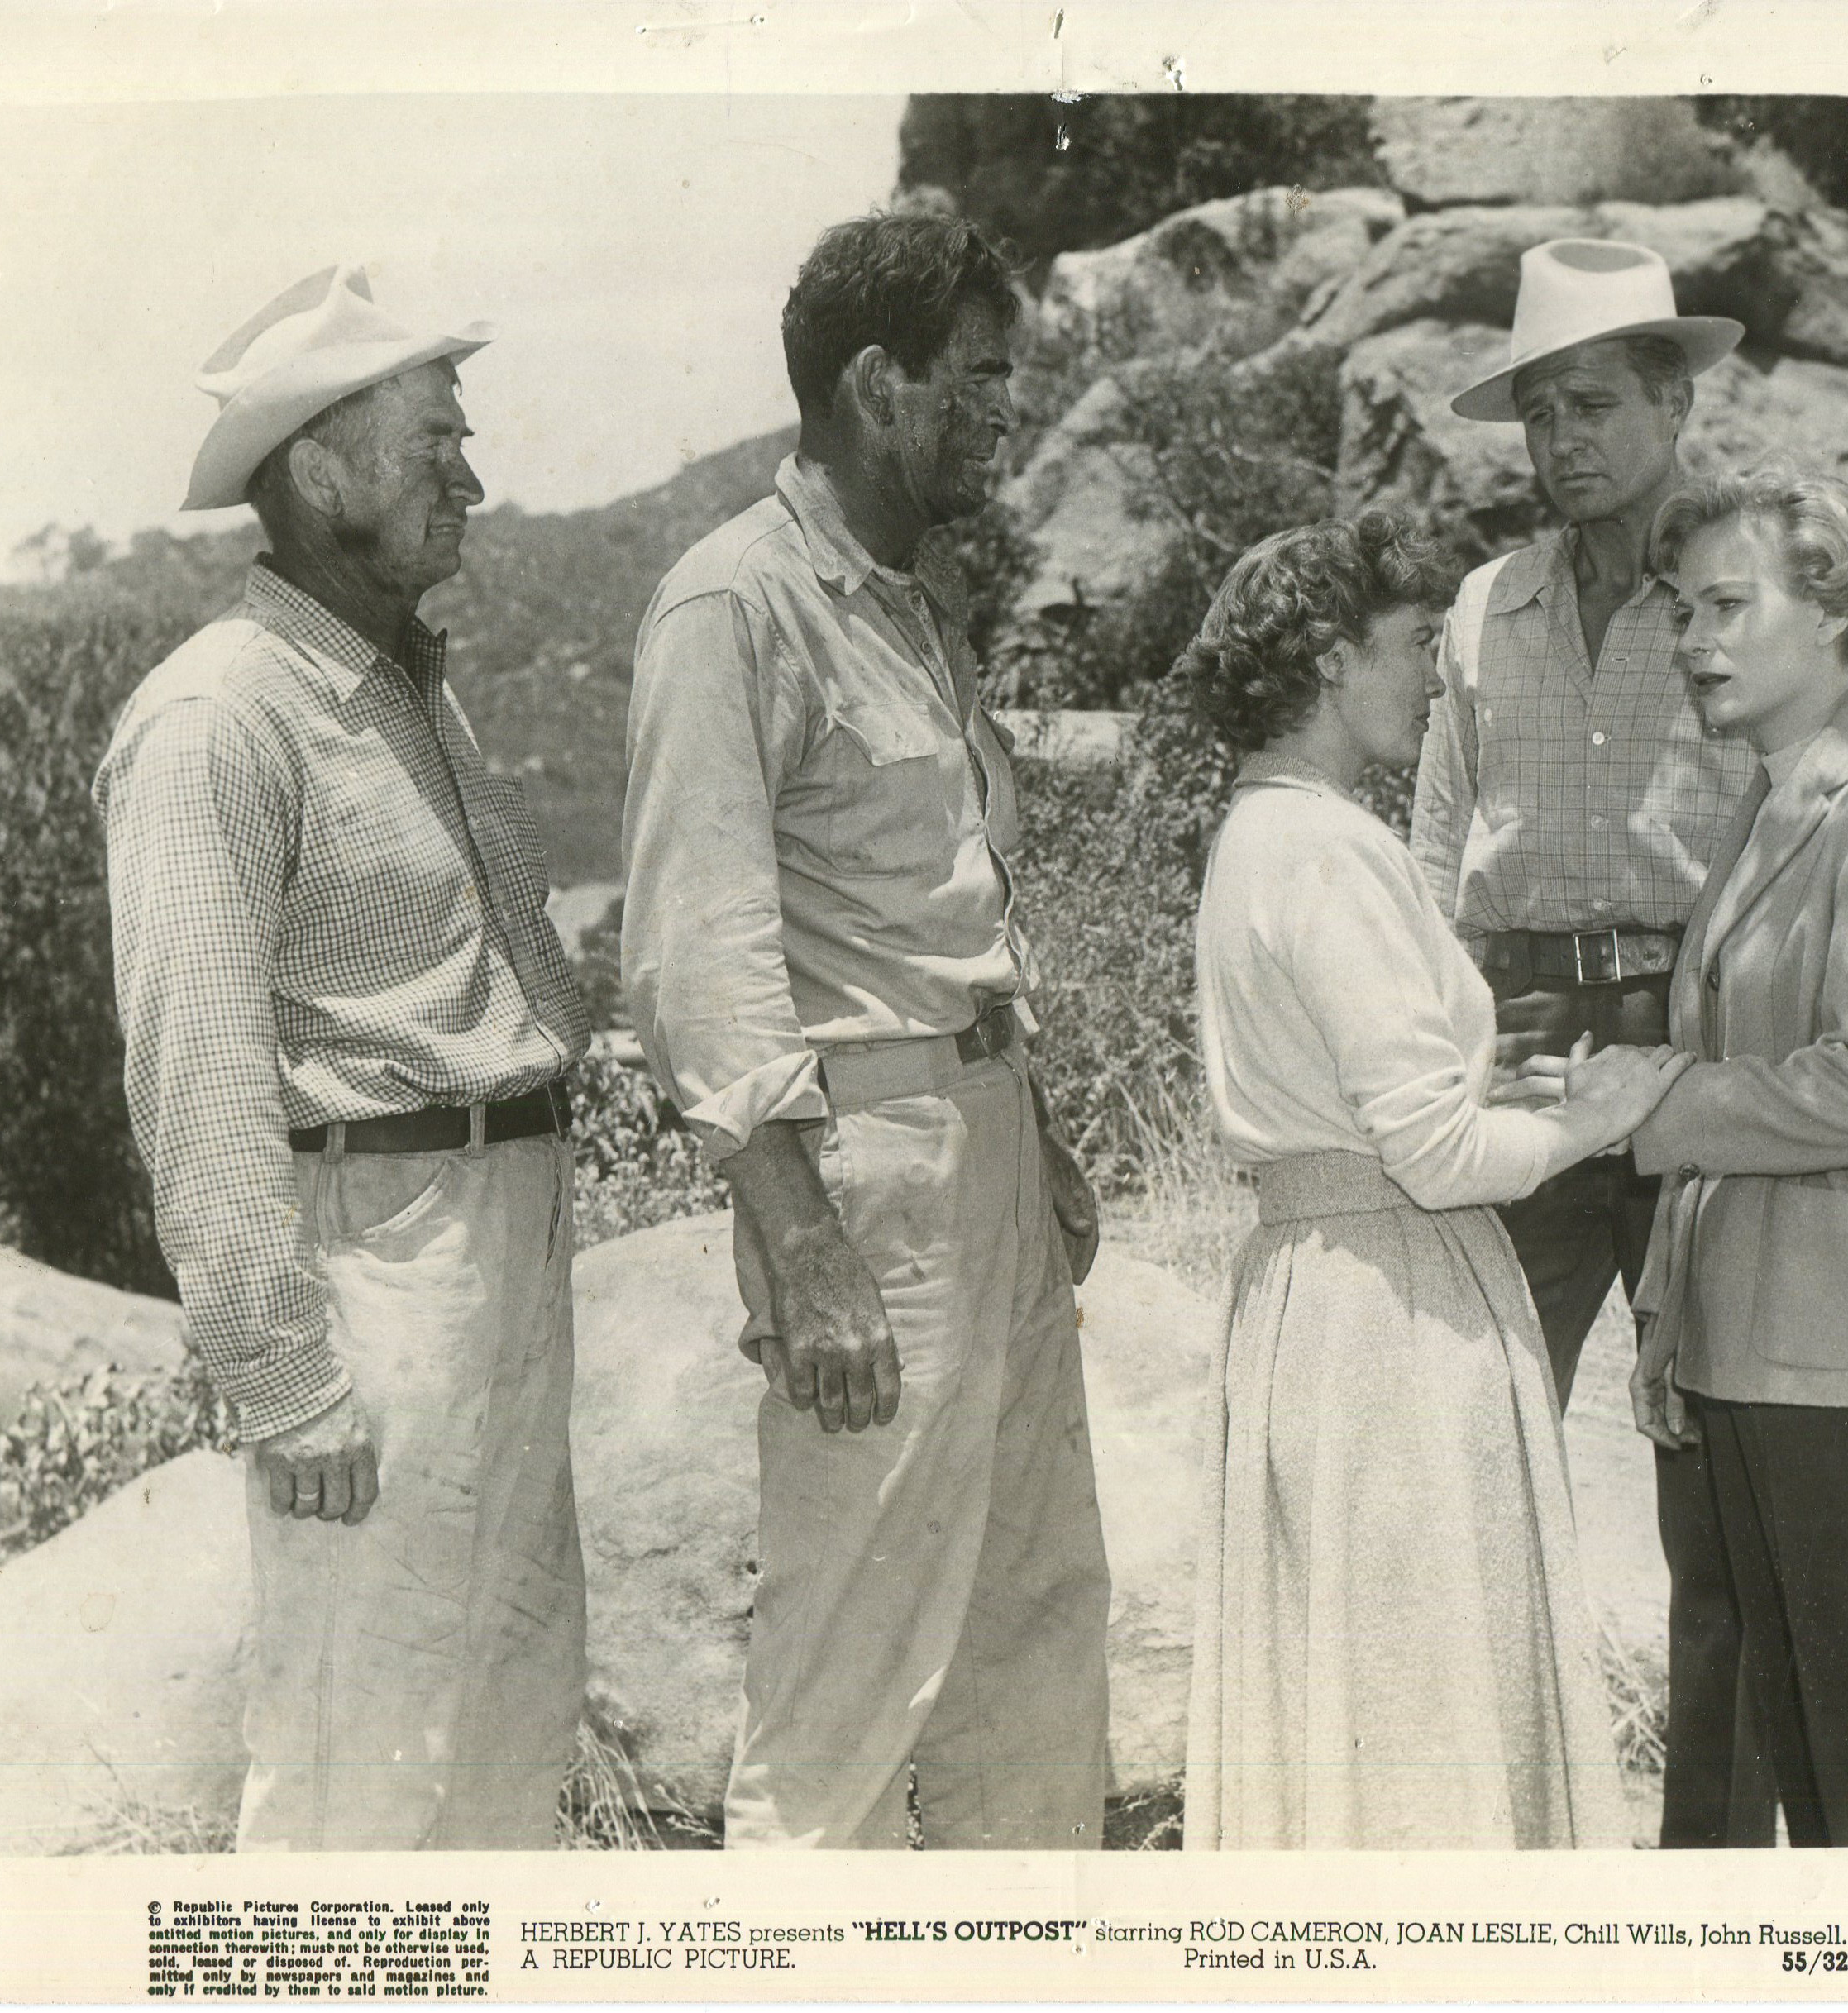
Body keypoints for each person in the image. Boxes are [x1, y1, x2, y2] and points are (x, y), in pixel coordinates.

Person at [620, 212, 1111, 1850]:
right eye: (977, 381)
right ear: (875, 384)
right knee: (840, 1707)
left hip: (985, 1168)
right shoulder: (733, 611)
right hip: (872, 1196)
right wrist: (804, 1247)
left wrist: (1030, 1136)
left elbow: (941, 909)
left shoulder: (905, 607)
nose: (1001, 415)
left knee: (1029, 1656)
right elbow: (696, 961)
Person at [93, 265, 591, 1850]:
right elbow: (192, 1072)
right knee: (354, 1761)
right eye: (435, 440)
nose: (473, 478)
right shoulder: (218, 723)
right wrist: (284, 1378)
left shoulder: (403, 693)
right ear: (315, 467)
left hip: (498, 1240)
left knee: (507, 1729)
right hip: (376, 1272)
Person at [1180, 512, 1690, 1850]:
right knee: (1423, 1709)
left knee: (1360, 1695)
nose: (1430, 678)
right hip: (1393, 1310)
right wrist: (1598, 1113)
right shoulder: (1331, 851)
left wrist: (1528, 1092)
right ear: (1328, 657)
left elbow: (1406, 1086)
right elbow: (1431, 1150)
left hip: (1321, 1291)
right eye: (1411, 647)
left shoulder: (1260, 835)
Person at [1626, 469, 1848, 1848]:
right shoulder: (1769, 806)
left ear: (1833, 615)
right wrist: (1669, 1318)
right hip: (1742, 1352)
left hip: (1845, 1360)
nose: (1694, 640)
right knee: (1788, 1751)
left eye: (1728, 604)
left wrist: (1644, 1111)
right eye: (1679, 612)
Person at [1411, 238, 1760, 1409]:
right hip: (1522, 1039)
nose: (1563, 440)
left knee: (1716, 1415)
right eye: (1538, 413)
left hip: (1702, 1034)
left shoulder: (1762, 605)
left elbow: (1843, 836)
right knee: (1487, 1403)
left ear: (1675, 402)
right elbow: (1435, 848)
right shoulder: (1484, 607)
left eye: (1596, 404)